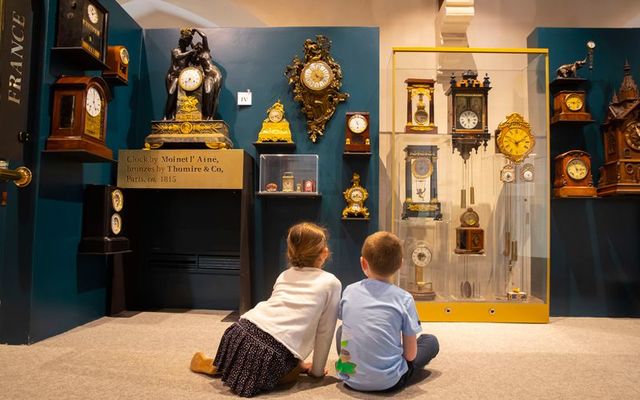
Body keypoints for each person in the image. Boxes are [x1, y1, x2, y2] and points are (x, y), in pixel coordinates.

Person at [190, 222, 342, 397]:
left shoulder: (284, 275)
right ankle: (246, 370)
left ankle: (224, 364)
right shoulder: (331, 282)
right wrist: (316, 371)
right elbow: (325, 331)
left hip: (239, 332)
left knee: (260, 356)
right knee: (288, 376)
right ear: (324, 253)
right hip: (272, 350)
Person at [335, 231, 439, 392]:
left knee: (342, 330)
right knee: (430, 341)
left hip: (350, 378)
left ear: (363, 263)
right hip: (390, 382)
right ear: (400, 264)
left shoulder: (349, 291)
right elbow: (410, 355)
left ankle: (355, 366)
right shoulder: (404, 298)